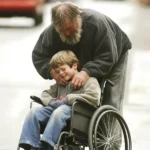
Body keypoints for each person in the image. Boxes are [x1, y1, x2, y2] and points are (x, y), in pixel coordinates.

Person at [32, 1, 132, 113]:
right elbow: (39, 55)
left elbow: (107, 56)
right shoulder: (52, 31)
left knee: (111, 96)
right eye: (62, 30)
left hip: (114, 54)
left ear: (78, 18)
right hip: (81, 60)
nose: (67, 33)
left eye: (69, 28)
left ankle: (111, 128)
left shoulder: (96, 23)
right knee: (74, 94)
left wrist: (86, 72)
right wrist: (50, 71)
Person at [19, 50, 101, 150]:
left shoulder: (90, 81)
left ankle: (46, 145)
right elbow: (45, 93)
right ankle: (31, 145)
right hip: (56, 114)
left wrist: (67, 99)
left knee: (61, 110)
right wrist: (52, 102)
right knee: (34, 112)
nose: (60, 73)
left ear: (74, 65)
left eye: (63, 69)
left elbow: (94, 97)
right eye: (57, 71)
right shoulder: (61, 84)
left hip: (78, 115)